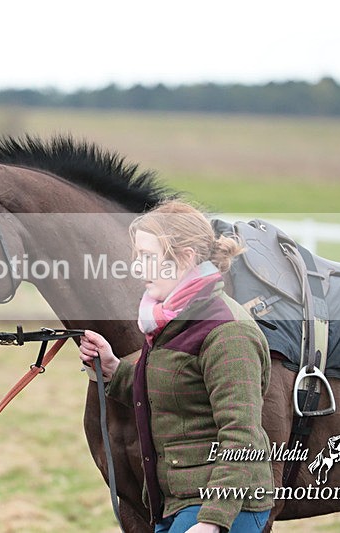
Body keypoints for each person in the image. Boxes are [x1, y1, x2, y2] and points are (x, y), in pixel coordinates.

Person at [79, 201, 274, 533]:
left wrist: (212, 521)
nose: (138, 269)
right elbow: (176, 392)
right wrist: (115, 370)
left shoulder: (227, 333)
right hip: (177, 503)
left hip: (220, 509)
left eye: (148, 257)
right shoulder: (172, 319)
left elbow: (243, 437)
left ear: (184, 258)